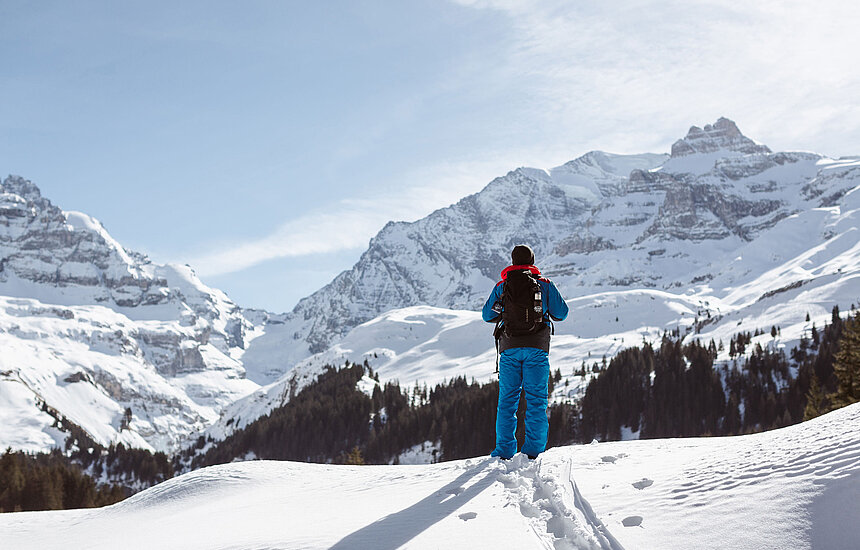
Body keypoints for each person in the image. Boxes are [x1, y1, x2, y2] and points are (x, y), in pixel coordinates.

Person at [482, 244, 568, 460]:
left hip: (509, 350)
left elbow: (486, 315)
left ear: (512, 261)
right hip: (537, 349)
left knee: (508, 401)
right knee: (536, 401)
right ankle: (533, 450)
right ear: (533, 261)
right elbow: (562, 313)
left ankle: (504, 450)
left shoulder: (502, 286)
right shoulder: (544, 285)